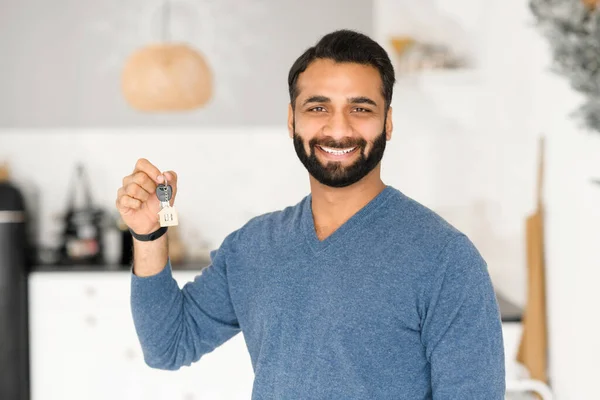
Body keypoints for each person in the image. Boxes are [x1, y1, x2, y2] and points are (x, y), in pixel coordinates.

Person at [116, 29, 505, 399]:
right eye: (318, 107)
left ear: (387, 123)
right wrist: (149, 235)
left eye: (361, 107)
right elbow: (167, 345)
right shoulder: (253, 247)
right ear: (292, 120)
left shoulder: (446, 259)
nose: (338, 128)